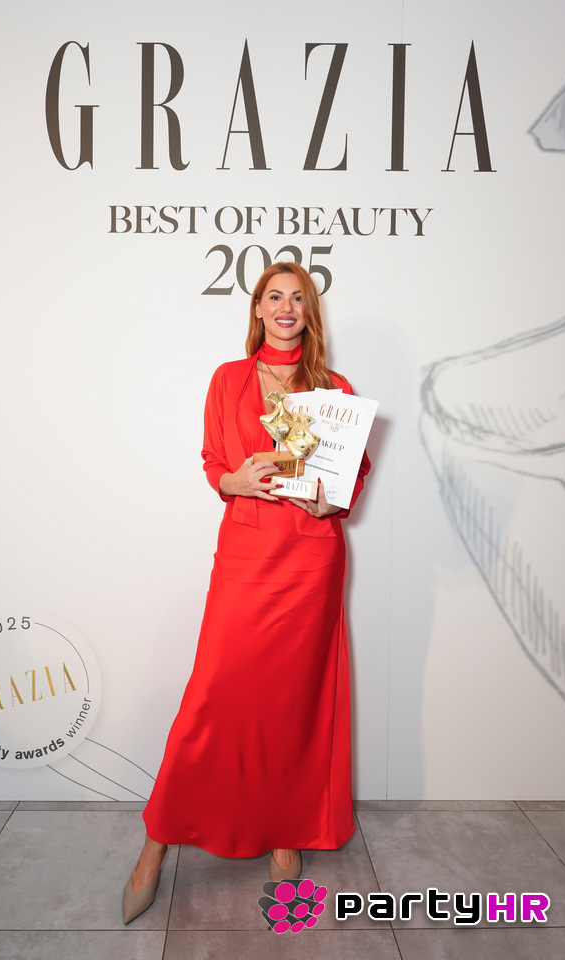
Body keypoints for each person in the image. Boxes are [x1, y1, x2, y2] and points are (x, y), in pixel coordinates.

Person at [122, 261, 371, 923]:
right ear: (258, 308)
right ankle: (155, 845)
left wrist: (332, 500)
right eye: (274, 296)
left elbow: (352, 476)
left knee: (294, 702)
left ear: (309, 312)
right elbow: (214, 462)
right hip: (246, 554)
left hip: (311, 559)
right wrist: (233, 482)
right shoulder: (228, 379)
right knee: (211, 697)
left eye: (298, 298)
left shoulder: (335, 389)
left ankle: (286, 833)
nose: (286, 307)